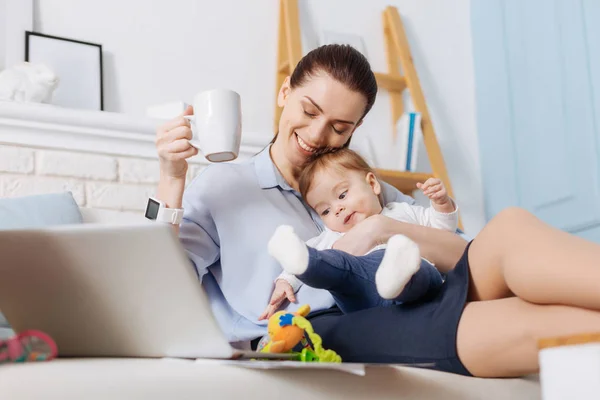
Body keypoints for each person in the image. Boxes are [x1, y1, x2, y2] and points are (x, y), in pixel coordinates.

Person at [155, 43, 600, 378]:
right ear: (284, 92)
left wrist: (379, 228)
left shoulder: (365, 184)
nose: (316, 134)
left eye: (339, 127)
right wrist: (171, 178)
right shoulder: (224, 187)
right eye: (309, 111)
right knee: (504, 318)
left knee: (509, 228)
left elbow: (464, 254)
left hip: (417, 288)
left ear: (356, 128)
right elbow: (154, 289)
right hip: (323, 326)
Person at [265, 148, 458, 316]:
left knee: (421, 269)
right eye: (325, 211)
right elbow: (310, 251)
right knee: (335, 263)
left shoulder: (401, 211)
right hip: (363, 300)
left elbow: (441, 229)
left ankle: (398, 274)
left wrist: (442, 203)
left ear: (373, 184)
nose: (337, 209)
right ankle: (297, 259)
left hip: (417, 293)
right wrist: (286, 280)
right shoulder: (334, 236)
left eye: (342, 195)